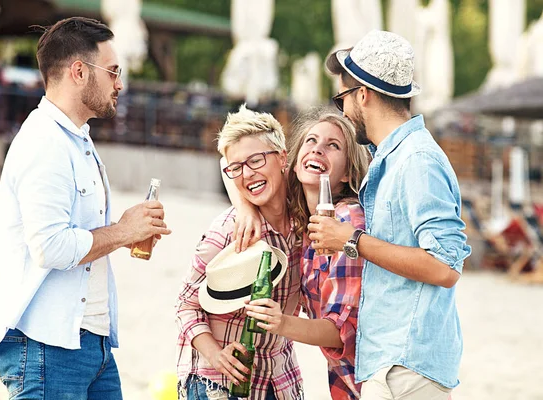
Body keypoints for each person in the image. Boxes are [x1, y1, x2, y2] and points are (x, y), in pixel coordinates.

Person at [0, 17, 171, 399]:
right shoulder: (44, 142)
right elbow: (50, 247)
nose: (119, 83)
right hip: (46, 344)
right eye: (113, 72)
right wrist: (124, 232)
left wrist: (128, 232)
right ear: (78, 71)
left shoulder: (76, 140)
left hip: (91, 341)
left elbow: (80, 238)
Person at [308, 30, 471, 399]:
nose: (344, 111)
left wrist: (350, 240)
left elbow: (445, 267)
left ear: (362, 94)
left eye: (342, 98)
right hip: (395, 363)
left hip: (406, 366)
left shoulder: (416, 159)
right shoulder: (395, 158)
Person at [227, 108, 370, 399]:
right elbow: (226, 161)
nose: (318, 149)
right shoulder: (301, 224)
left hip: (379, 383)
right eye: (311, 141)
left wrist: (281, 323)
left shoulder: (348, 220)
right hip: (346, 383)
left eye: (333, 145)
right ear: (292, 163)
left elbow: (341, 330)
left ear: (347, 173)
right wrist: (245, 208)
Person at [175, 105, 304, 400]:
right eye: (238, 167)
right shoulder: (228, 232)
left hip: (279, 376)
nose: (248, 174)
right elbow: (185, 305)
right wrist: (217, 355)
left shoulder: (305, 224)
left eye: (256, 160)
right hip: (217, 382)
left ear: (283, 158)